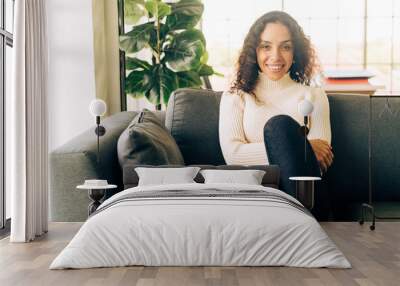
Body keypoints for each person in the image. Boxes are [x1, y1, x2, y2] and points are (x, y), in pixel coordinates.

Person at [219, 11, 334, 220]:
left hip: (307, 196)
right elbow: (233, 155)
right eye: (266, 46)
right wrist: (302, 145)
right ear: (254, 51)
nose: (276, 56)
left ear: (295, 52)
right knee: (278, 126)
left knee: (280, 126)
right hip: (255, 196)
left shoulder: (314, 95)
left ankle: (303, 222)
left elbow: (320, 156)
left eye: (286, 47)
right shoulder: (236, 96)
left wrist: (297, 148)